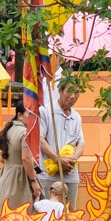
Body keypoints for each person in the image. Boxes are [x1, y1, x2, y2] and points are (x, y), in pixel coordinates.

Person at [39, 75, 87, 206]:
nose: (73, 97)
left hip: (70, 173)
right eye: (69, 91)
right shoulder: (45, 111)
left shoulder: (76, 116)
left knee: (71, 215)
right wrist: (56, 159)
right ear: (60, 91)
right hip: (49, 173)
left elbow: (81, 143)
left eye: (77, 92)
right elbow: (40, 139)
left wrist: (73, 159)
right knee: (48, 215)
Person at [0, 99, 40, 214]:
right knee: (23, 218)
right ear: (19, 115)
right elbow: (25, 159)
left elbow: (2, 159)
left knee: (7, 219)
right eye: (30, 113)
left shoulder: (9, 130)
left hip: (7, 177)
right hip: (20, 181)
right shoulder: (24, 132)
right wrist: (33, 181)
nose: (33, 117)